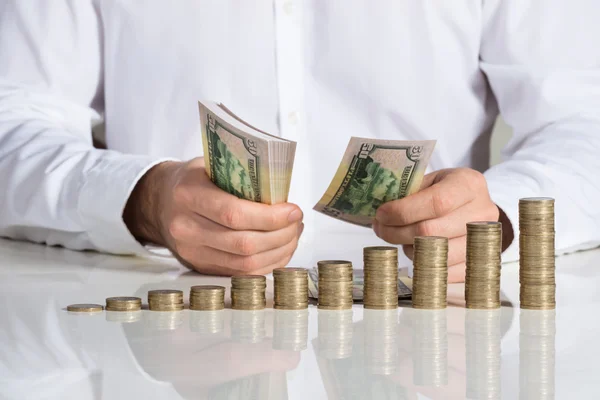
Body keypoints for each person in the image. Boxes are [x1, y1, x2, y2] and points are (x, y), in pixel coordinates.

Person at [0, 1, 599, 282]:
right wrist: (139, 199)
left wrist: (499, 214)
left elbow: (586, 120)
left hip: (434, 332)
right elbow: (11, 120)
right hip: (150, 330)